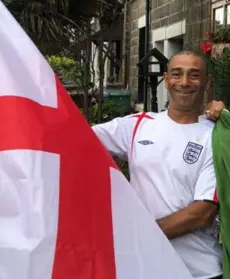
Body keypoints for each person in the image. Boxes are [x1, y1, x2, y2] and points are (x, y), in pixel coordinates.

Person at [93, 51, 222, 279]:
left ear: (206, 81)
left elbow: (203, 213)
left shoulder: (217, 137)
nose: (184, 82)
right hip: (144, 268)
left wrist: (139, 235)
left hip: (197, 271)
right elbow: (74, 138)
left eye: (194, 75)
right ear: (166, 78)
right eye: (176, 74)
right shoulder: (137, 126)